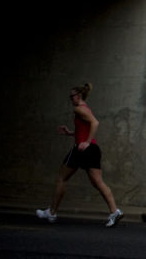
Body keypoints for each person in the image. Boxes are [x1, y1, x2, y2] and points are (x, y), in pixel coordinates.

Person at [36, 83, 123, 227]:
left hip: (82, 149)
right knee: (98, 182)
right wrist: (70, 132)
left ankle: (52, 212)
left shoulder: (79, 109)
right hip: (93, 149)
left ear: (78, 96)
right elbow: (85, 128)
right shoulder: (85, 109)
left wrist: (86, 142)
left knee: (61, 179)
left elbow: (95, 123)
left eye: (71, 97)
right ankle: (115, 211)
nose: (70, 100)